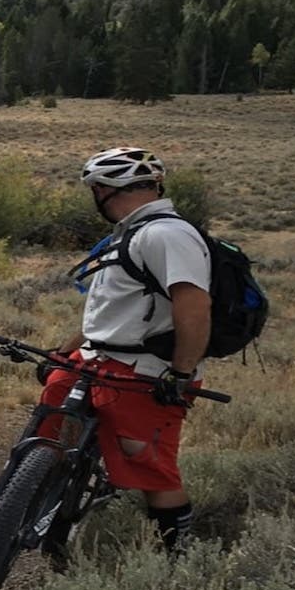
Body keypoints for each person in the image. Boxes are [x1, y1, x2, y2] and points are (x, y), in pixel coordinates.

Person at [42, 146, 210, 552]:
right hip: (101, 358)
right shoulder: (130, 233)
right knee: (51, 422)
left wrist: (182, 373)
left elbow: (194, 306)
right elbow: (112, 310)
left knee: (151, 466)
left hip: (145, 370)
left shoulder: (168, 235)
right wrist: (63, 353)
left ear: (103, 190)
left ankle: (176, 555)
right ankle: (39, 503)